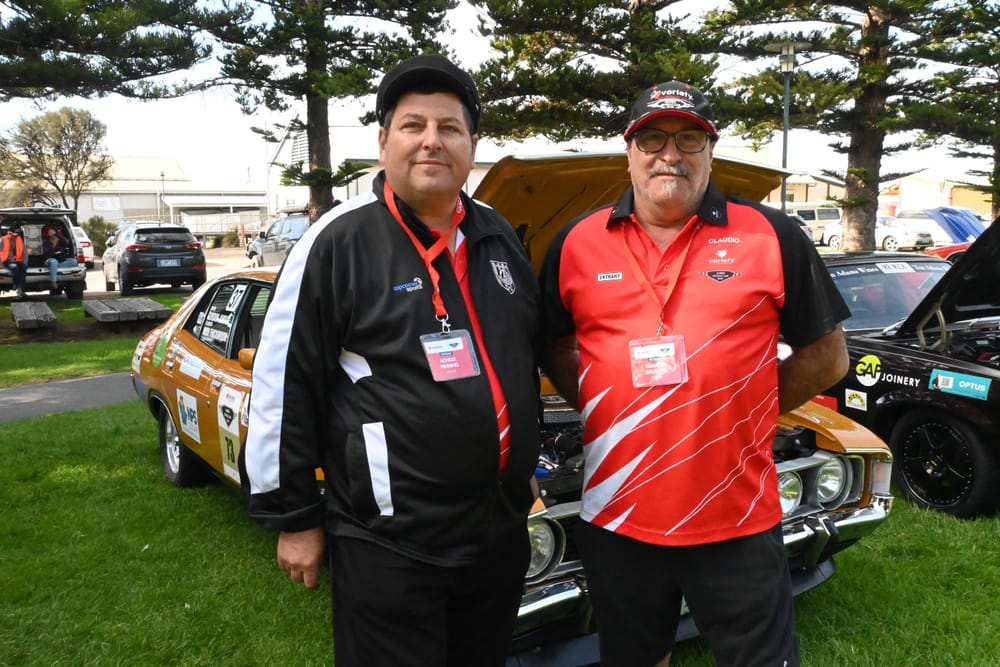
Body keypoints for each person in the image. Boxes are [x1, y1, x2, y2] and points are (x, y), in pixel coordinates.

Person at [240, 54, 541, 667]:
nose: (432, 141)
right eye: (413, 125)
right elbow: (282, 383)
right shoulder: (337, 241)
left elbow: (517, 355)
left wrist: (520, 466)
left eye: (450, 128)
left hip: (495, 532)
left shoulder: (498, 236)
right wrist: (294, 517)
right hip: (390, 542)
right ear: (383, 142)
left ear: (472, 145)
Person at [538, 81, 851, 667]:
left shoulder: (772, 235)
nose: (670, 154)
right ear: (629, 149)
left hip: (735, 515)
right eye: (653, 137)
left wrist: (745, 407)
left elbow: (828, 357)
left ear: (711, 148)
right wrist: (605, 402)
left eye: (688, 138)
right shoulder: (576, 242)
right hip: (618, 517)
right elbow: (553, 345)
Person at [1, 225, 28, 299]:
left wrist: (24, 262)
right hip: (6, 260)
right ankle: (16, 285)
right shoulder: (2, 239)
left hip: (17, 259)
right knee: (15, 267)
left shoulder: (18, 239)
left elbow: (24, 252)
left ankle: (20, 288)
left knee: (23, 267)